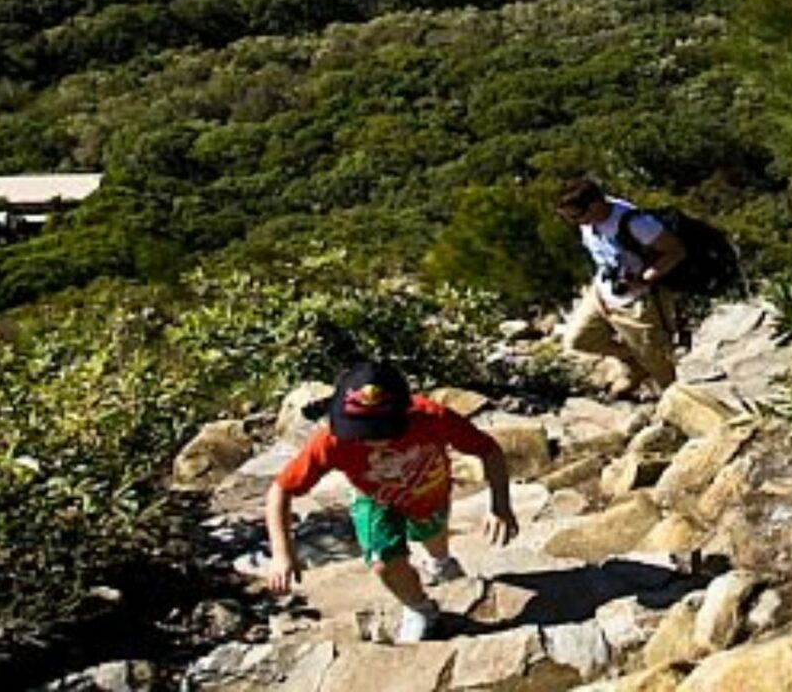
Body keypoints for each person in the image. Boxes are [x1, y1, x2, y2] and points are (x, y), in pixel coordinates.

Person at [262, 359, 518, 643]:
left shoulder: (431, 417)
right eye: (359, 433)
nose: (373, 442)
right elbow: (281, 490)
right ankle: (419, 607)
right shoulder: (330, 441)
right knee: (383, 561)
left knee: (432, 533)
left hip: (428, 490)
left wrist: (500, 505)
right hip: (375, 499)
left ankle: (439, 562)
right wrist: (282, 552)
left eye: (384, 432)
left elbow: (488, 450)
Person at [554, 177, 685, 396]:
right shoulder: (589, 221)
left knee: (661, 368)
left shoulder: (636, 224)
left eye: (577, 216)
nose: (575, 223)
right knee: (578, 341)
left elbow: (675, 251)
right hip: (603, 292)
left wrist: (646, 277)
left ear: (595, 205)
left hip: (639, 302)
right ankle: (635, 364)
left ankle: (676, 409)